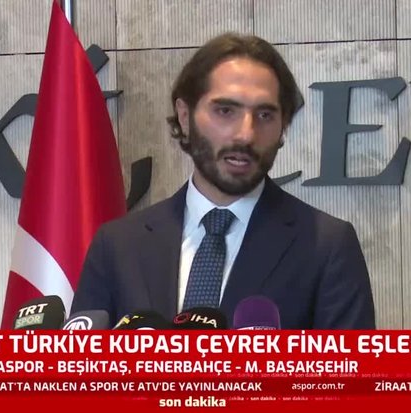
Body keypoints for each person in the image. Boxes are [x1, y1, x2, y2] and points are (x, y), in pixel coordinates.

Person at [70, 32, 375, 329]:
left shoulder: (327, 246)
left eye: (265, 115)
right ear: (185, 116)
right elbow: (80, 361)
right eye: (225, 111)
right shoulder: (117, 245)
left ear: (284, 125)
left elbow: (347, 365)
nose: (246, 135)